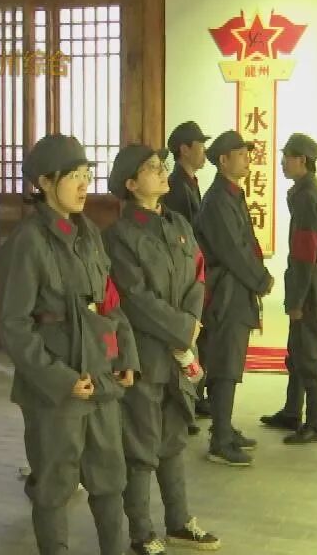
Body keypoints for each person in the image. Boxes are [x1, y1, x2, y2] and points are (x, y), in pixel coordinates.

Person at [0, 133, 139, 555]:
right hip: (56, 389)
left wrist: (126, 355)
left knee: (109, 479)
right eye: (74, 176)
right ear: (45, 182)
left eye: (86, 175)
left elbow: (110, 302)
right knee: (54, 484)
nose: (83, 185)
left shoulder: (90, 233)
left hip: (100, 378)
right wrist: (60, 380)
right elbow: (14, 325)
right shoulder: (28, 241)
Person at [103, 144, 220, 555]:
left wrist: (191, 325)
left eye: (160, 166)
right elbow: (134, 298)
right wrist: (184, 329)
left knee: (173, 439)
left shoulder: (179, 223)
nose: (161, 171)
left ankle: (179, 521)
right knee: (141, 444)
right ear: (131, 184)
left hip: (179, 351)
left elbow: (198, 276)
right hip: (145, 354)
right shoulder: (119, 236)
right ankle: (141, 532)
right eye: (151, 168)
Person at [194, 130, 274, 466]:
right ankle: (220, 439)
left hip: (235, 290)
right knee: (225, 365)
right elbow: (233, 250)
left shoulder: (230, 194)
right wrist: (260, 279)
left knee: (230, 362)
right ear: (223, 160)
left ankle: (223, 427)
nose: (247, 159)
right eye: (241, 154)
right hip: (226, 292)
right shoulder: (217, 200)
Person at [260, 133, 317, 444]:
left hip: (310, 285)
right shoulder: (311, 192)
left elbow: (306, 253)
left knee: (310, 354)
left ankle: (316, 423)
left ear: (301, 160)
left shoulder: (307, 197)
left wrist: (296, 300)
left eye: (286, 157)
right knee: (298, 350)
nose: (282, 163)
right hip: (314, 281)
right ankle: (293, 411)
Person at [164, 121, 213, 431]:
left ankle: (195, 396)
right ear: (185, 149)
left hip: (194, 271)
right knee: (183, 340)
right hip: (182, 274)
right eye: (200, 145)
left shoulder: (190, 183)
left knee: (196, 338)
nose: (204, 151)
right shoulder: (176, 188)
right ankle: (185, 404)